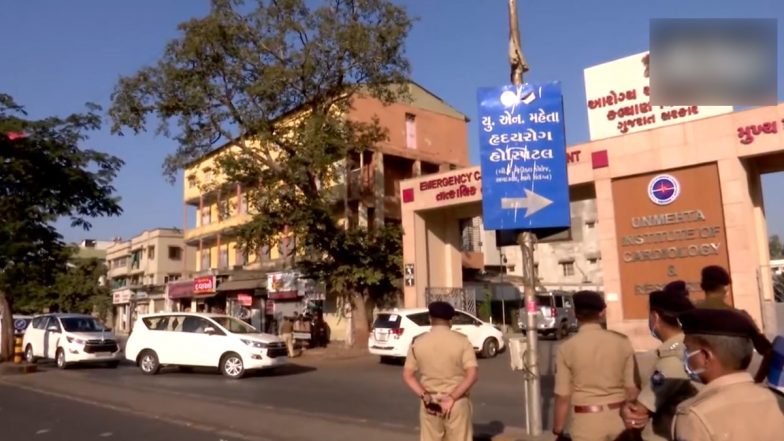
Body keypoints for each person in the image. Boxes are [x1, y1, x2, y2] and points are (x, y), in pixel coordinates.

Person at [671, 308, 784, 441]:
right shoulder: (778, 401)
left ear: (705, 356)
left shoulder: (695, 416)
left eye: (687, 349)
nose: (684, 355)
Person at [552, 291, 638, 441]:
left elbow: (563, 395)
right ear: (602, 313)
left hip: (586, 423)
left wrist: (558, 428)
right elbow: (632, 389)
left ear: (575, 314)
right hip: (620, 419)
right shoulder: (622, 342)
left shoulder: (567, 348)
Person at [621, 290, 700, 441]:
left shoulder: (671, 361)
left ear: (655, 317)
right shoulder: (696, 349)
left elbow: (638, 413)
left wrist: (627, 409)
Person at [402, 301, 478, 441]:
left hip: (430, 403)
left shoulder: (417, 342)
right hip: (456, 403)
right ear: (450, 321)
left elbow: (408, 375)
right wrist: (452, 397)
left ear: (430, 319)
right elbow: (472, 374)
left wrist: (425, 395)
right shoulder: (462, 341)